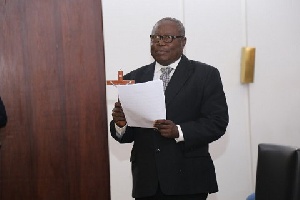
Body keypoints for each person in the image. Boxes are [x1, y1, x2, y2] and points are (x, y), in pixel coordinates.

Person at [110, 17, 229, 200]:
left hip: (188, 181)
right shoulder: (133, 78)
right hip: (147, 183)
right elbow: (126, 136)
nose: (159, 43)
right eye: (155, 38)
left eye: (167, 37)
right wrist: (120, 124)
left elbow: (217, 123)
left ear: (183, 42)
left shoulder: (205, 75)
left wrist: (179, 131)